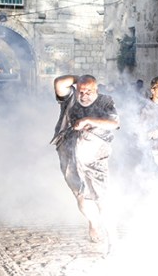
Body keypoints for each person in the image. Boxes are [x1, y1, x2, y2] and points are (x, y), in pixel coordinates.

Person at [51, 74, 120, 244]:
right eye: (81, 91)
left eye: (88, 91)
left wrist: (88, 120)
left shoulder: (105, 101)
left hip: (96, 155)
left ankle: (112, 236)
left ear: (96, 89)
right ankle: (94, 222)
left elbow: (114, 123)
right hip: (69, 152)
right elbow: (59, 83)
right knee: (80, 195)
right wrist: (78, 79)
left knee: (101, 196)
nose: (84, 95)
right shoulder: (72, 98)